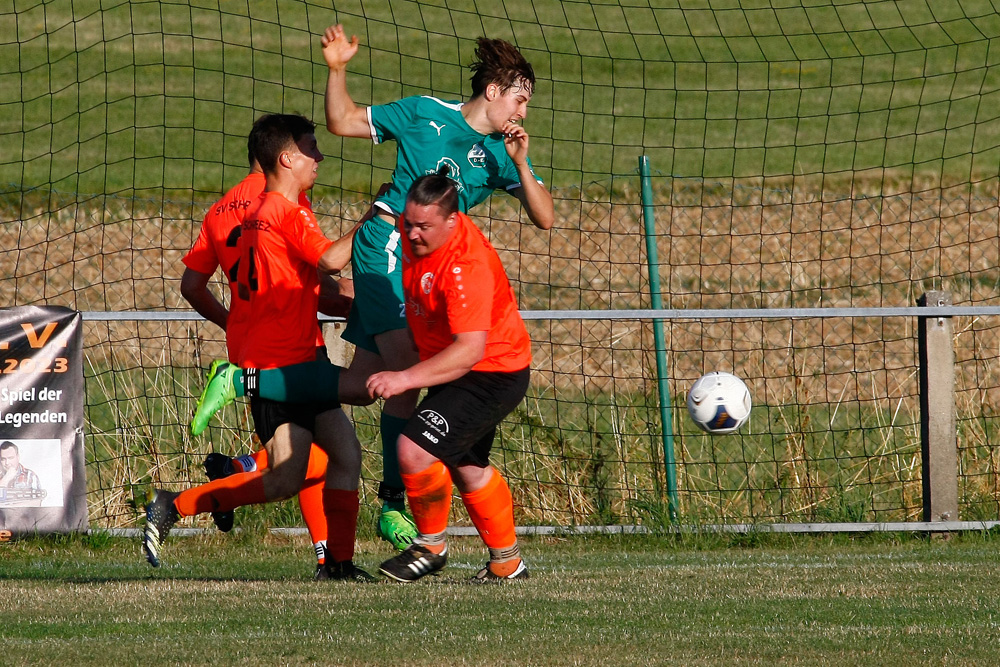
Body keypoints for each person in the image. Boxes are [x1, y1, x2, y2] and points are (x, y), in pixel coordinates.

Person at [188, 26, 554, 552]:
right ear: (494, 91)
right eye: (519, 99)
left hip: (426, 271)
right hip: (386, 245)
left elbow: (545, 218)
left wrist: (520, 162)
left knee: (368, 384)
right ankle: (391, 504)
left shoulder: (500, 153)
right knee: (406, 377)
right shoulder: (425, 113)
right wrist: (337, 68)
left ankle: (251, 390)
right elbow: (341, 121)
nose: (522, 113)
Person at [144, 113, 373, 581]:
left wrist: (234, 321)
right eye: (312, 150)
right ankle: (179, 502)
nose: (319, 158)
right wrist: (371, 223)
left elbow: (201, 286)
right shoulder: (283, 206)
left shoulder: (226, 210)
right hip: (277, 359)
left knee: (338, 455)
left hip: (281, 344)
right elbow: (323, 259)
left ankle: (337, 563)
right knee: (300, 465)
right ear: (282, 158)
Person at [374, 173, 532, 583]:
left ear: (451, 221)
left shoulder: (465, 265)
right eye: (407, 223)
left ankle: (430, 546)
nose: (411, 233)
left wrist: (405, 379)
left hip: (491, 372)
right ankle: (507, 564)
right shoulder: (422, 237)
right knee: (467, 467)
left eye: (423, 226)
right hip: (459, 367)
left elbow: (469, 350)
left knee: (413, 450)